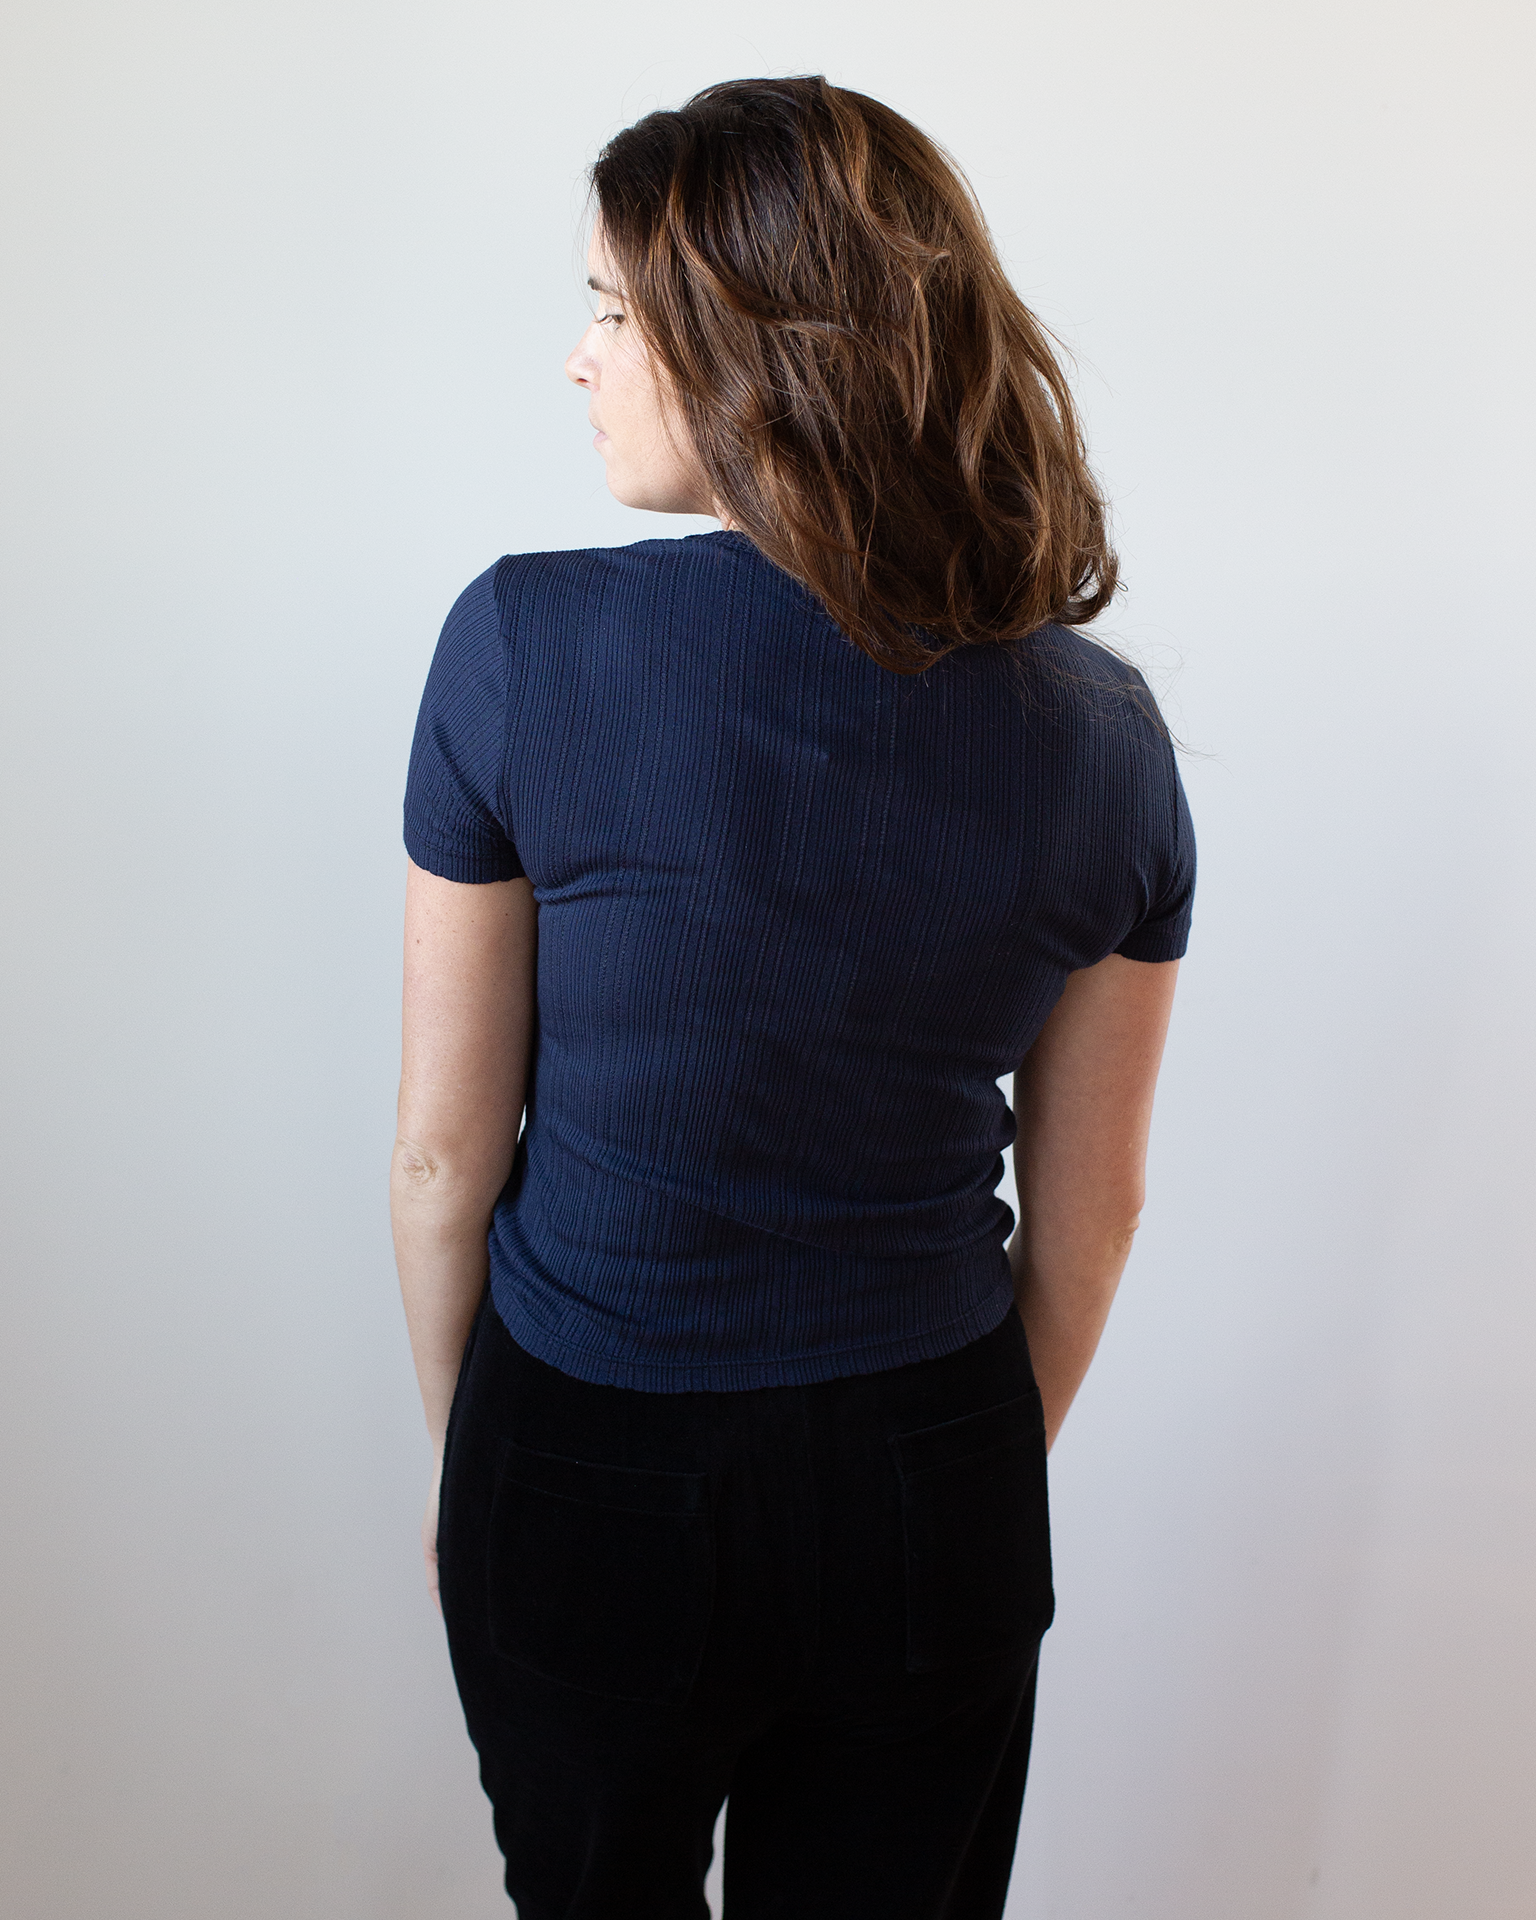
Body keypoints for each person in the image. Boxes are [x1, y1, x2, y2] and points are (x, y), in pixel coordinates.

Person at [391, 75, 1192, 1920]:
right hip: (936, 1467)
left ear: (747, 343)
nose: (578, 361)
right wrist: (945, 1482)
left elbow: (442, 1161)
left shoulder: (524, 644)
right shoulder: (1105, 738)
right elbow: (1094, 1214)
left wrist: (481, 1463)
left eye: (610, 311)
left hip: (590, 1450)